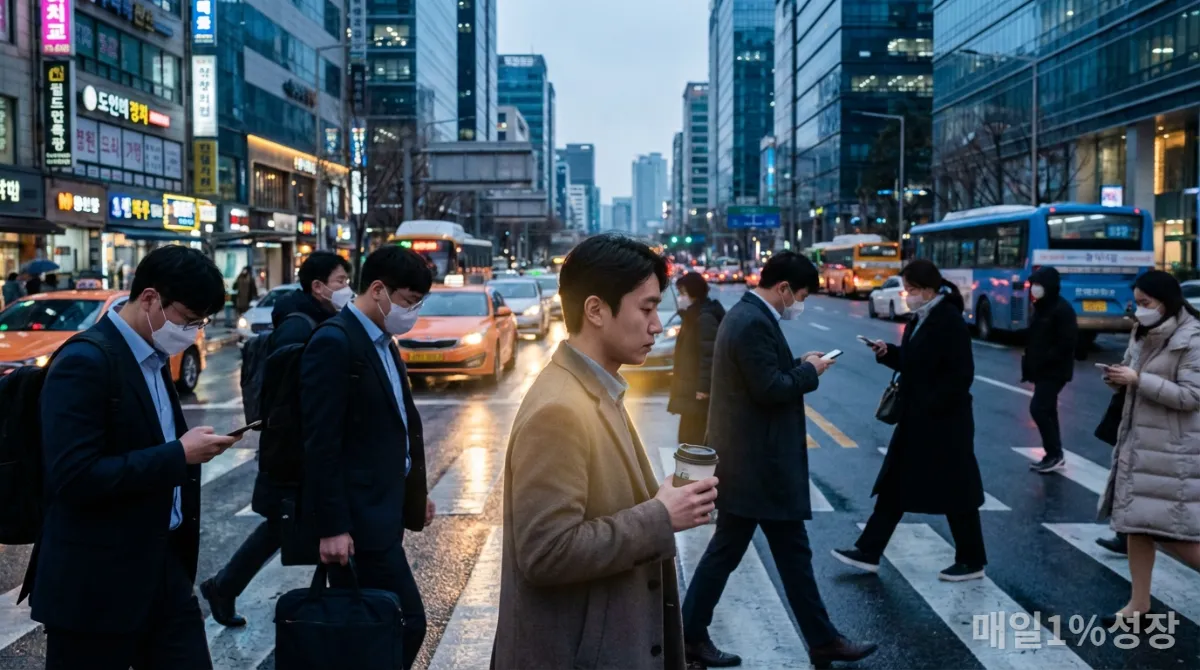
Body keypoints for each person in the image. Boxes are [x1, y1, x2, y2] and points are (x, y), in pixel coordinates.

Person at [492, 234, 719, 670]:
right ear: (595, 310)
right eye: (647, 308)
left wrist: (662, 500)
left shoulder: (596, 387)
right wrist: (660, 516)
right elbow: (546, 552)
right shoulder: (560, 407)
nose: (657, 325)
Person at [29, 245, 236, 669]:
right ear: (149, 299)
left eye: (201, 322)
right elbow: (74, 477)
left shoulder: (155, 358)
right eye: (188, 318)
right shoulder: (85, 361)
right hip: (95, 584)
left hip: (162, 572)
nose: (193, 331)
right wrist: (179, 454)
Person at [681, 251, 876, 669]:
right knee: (740, 554)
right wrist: (811, 373)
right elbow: (768, 388)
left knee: (771, 553)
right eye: (801, 295)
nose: (800, 304)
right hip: (757, 463)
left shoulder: (748, 315)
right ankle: (692, 636)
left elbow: (762, 374)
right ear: (784, 288)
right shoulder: (751, 320)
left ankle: (818, 639)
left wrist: (799, 363)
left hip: (753, 460)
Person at [201, 251, 353, 626]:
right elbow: (291, 403)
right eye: (340, 282)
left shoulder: (314, 319)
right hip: (293, 451)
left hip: (294, 449)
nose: (346, 289)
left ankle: (224, 587)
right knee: (297, 527)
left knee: (285, 528)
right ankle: (350, 620)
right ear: (318, 287)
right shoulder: (299, 328)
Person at [301, 246, 435, 669]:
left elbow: (398, 424)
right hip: (357, 521)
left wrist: (413, 492)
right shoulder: (335, 342)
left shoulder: (383, 341)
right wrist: (333, 527)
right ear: (378, 290)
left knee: (370, 625)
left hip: (383, 508)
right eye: (409, 302)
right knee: (407, 620)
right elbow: (321, 444)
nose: (411, 313)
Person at [831, 259, 987, 583]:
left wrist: (930, 404)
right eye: (907, 289)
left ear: (929, 289)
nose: (908, 295)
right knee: (895, 486)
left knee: (957, 491)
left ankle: (972, 559)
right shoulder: (921, 318)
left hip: (945, 424)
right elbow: (915, 362)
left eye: (912, 289)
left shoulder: (949, 320)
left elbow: (961, 377)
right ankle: (869, 551)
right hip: (919, 420)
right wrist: (888, 352)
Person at [1097, 270, 1200, 627]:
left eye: (1146, 303)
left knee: (1177, 534)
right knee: (1136, 526)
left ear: (1166, 301)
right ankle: (1138, 605)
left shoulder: (1192, 338)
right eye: (1137, 303)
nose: (1139, 310)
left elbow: (1191, 397)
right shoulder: (1143, 333)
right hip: (1139, 443)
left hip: (1175, 449)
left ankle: (1139, 605)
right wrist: (1119, 379)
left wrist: (1139, 380)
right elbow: (1134, 380)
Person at [1022, 266, 1079, 473]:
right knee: (1048, 410)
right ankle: (1053, 454)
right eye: (1033, 284)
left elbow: (1067, 342)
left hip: (1054, 370)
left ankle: (1054, 453)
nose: (1034, 288)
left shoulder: (1061, 309)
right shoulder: (1042, 307)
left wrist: (1045, 360)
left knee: (1039, 408)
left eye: (1038, 284)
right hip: (1042, 370)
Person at [668, 271, 726, 444]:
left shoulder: (704, 318)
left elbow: (709, 355)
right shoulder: (692, 316)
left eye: (682, 293)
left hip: (697, 394)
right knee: (689, 438)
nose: (680, 298)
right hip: (691, 390)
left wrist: (703, 388)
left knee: (694, 438)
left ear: (693, 294)